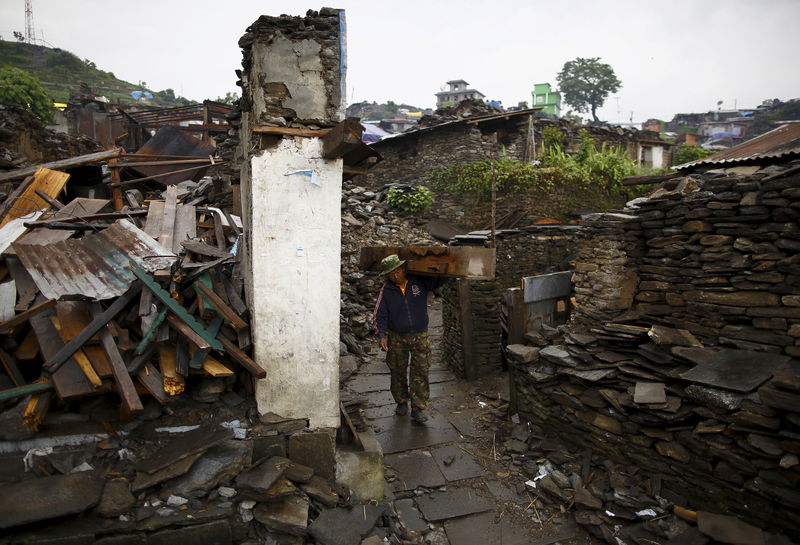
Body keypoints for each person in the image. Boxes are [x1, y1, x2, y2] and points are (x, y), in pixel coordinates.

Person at [373, 254, 446, 423]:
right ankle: (401, 402)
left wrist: (445, 269)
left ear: (402, 269)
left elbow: (439, 280)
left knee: (420, 371)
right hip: (397, 336)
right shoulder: (387, 290)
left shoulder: (418, 282)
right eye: (390, 274)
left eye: (397, 272)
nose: (395, 276)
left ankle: (419, 408)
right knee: (397, 370)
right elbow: (379, 314)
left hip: (420, 335)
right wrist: (382, 335)